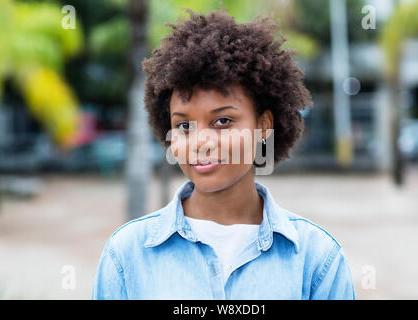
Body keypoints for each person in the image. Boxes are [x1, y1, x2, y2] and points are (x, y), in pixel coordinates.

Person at [92, 8, 355, 300]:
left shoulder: (316, 259)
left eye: (222, 121)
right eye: (183, 125)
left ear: (264, 125)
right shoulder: (127, 256)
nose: (200, 142)